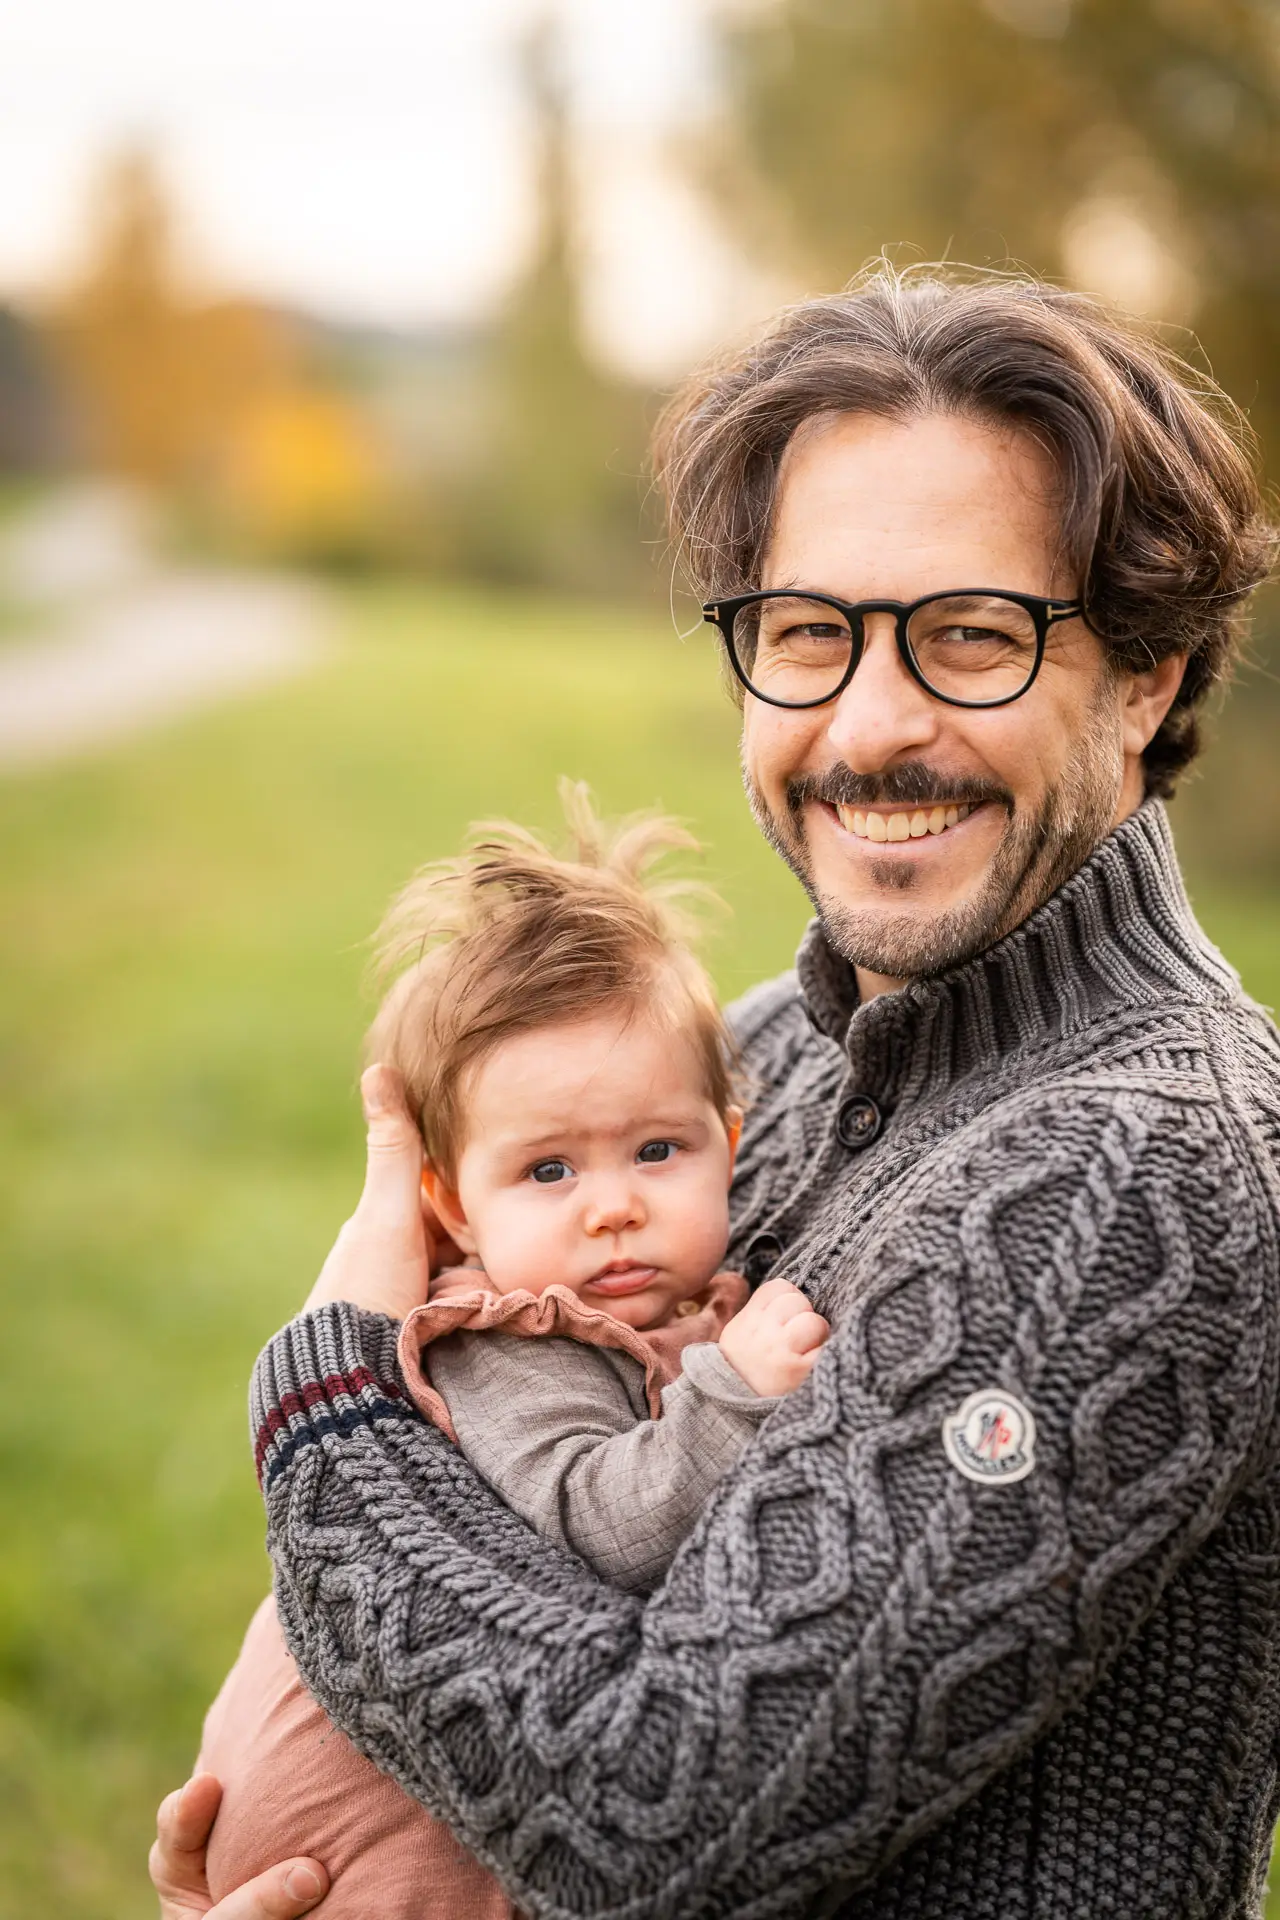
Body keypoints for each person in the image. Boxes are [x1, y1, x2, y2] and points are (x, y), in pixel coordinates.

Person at [153, 265, 1280, 1920]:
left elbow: (646, 1817)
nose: (870, 726)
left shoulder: (1141, 1173)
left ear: (1147, 679)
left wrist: (327, 1415)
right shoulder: (765, 1055)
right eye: (810, 634)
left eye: (973, 636)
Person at [193, 792, 829, 1919]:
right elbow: (592, 1525)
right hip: (355, 1828)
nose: (612, 1209)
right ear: (451, 1207)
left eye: (655, 1149)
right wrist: (731, 1397)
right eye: (548, 1171)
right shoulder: (505, 1342)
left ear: (730, 1144)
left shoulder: (652, 1305)